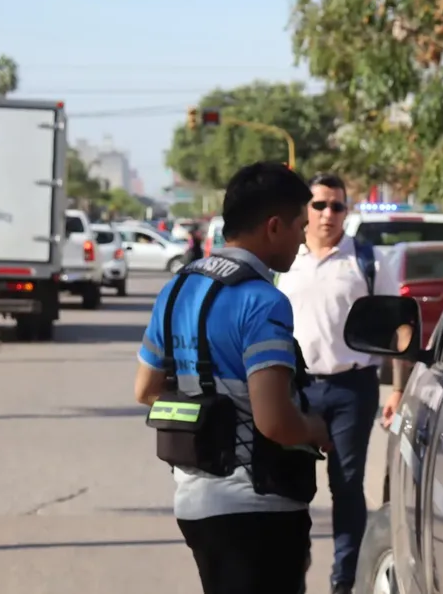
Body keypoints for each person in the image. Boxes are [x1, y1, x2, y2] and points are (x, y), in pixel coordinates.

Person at [134, 162, 332, 594]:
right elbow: (274, 421)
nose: (304, 238)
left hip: (194, 501)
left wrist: (207, 410)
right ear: (274, 227)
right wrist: (316, 428)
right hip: (257, 507)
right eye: (300, 226)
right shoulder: (263, 302)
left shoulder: (175, 291)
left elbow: (146, 390)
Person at [277, 173, 401, 594]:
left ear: (347, 212)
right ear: (304, 211)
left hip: (353, 389)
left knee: (347, 488)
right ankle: (289, 574)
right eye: (319, 205)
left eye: (337, 206)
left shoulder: (368, 261)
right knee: (288, 487)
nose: (329, 213)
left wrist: (397, 389)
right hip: (296, 390)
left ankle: (343, 583)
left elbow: (396, 326)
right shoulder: (285, 262)